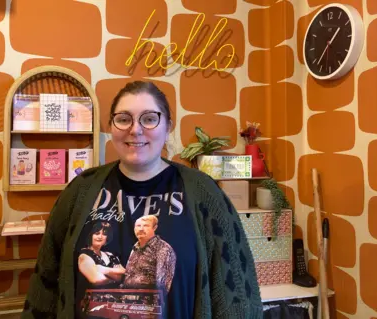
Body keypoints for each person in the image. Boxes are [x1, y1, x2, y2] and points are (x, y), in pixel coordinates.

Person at [22, 80, 263, 319]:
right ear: (112, 126)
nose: (135, 129)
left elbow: (238, 294)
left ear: (168, 125)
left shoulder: (204, 193)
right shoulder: (80, 191)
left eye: (149, 118)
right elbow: (45, 283)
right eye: (124, 119)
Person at [123, 215, 176, 294]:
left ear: (154, 228)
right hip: (128, 298)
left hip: (148, 301)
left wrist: (155, 303)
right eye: (138, 226)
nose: (141, 229)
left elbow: (163, 283)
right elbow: (128, 274)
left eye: (146, 226)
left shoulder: (163, 248)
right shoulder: (135, 247)